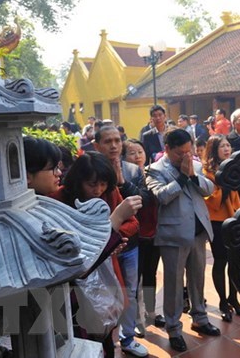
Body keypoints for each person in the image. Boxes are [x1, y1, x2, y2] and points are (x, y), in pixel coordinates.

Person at [50, 152, 144, 357]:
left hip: (107, 267)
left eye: (103, 184)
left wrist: (116, 237)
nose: (98, 190)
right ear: (78, 180)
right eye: (92, 184)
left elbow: (133, 222)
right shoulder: (59, 198)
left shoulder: (109, 194)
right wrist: (110, 232)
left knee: (107, 322)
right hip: (77, 277)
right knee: (83, 329)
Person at [145, 129, 220, 353]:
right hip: (174, 235)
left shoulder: (194, 164)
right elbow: (162, 196)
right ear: (167, 149)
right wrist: (182, 177)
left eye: (188, 151)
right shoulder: (155, 170)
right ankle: (174, 329)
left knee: (197, 278)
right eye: (180, 153)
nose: (185, 157)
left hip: (198, 232)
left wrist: (194, 175)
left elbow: (209, 189)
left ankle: (200, 317)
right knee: (174, 284)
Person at [94, 127, 150, 356]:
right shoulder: (90, 170)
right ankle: (103, 339)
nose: (114, 145)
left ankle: (128, 338)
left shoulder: (132, 169)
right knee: (102, 293)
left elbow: (143, 201)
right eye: (108, 141)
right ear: (97, 145)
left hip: (129, 245)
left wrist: (121, 182)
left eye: (117, 140)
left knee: (130, 291)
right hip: (100, 247)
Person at [122, 139, 167, 335]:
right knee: (135, 281)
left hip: (153, 233)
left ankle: (151, 312)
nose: (137, 156)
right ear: (124, 158)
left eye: (140, 151)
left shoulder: (153, 174)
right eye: (132, 153)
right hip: (135, 237)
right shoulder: (124, 180)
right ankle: (136, 318)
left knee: (150, 275)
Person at [202, 135, 240, 323]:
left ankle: (234, 299)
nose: (227, 149)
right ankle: (222, 302)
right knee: (221, 261)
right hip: (218, 221)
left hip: (235, 217)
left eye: (228, 145)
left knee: (236, 260)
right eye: (222, 146)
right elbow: (210, 198)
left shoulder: (234, 166)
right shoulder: (208, 171)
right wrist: (227, 185)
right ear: (214, 149)